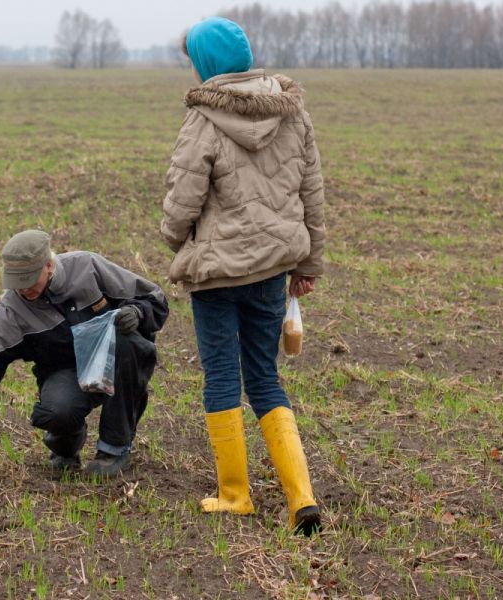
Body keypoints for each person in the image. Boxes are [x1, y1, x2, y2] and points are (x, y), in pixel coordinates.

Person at [160, 17, 325, 535]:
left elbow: (182, 199)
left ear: (205, 63)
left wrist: (174, 236)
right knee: (265, 377)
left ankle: (235, 495)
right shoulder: (292, 111)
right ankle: (301, 497)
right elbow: (312, 193)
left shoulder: (202, 117)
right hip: (272, 270)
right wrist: (307, 265)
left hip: (217, 275)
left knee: (222, 378)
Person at [0, 230, 168, 484]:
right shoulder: (10, 313)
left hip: (113, 360)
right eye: (16, 282)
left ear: (49, 265)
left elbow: (154, 298)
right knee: (57, 411)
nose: (24, 289)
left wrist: (138, 313)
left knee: (128, 342)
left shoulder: (87, 267)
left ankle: (114, 449)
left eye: (29, 279)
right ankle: (66, 444)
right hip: (66, 372)